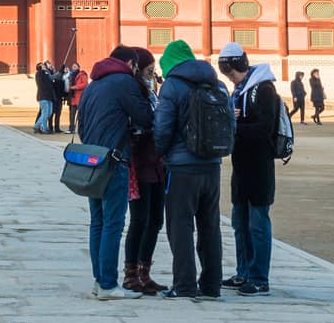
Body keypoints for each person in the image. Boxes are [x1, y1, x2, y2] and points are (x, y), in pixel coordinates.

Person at [154, 39, 232, 301]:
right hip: (212, 165)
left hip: (181, 166)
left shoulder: (172, 86)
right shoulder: (218, 84)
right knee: (210, 225)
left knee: (180, 225)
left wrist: (161, 152)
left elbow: (163, 128)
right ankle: (211, 285)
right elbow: (231, 123)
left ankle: (184, 284)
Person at [77, 45, 153, 299]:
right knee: (113, 222)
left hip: (92, 160)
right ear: (131, 63)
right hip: (115, 159)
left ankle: (100, 280)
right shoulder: (124, 82)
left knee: (97, 222)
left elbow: (82, 124)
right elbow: (143, 117)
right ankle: (109, 284)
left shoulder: (93, 84)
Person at [219, 42, 278, 297]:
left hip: (259, 165)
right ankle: (243, 271)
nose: (230, 78)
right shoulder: (240, 90)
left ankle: (259, 277)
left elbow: (266, 128)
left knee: (258, 222)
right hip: (241, 165)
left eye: (231, 72)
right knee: (239, 222)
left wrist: (235, 124)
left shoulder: (264, 89)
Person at [122, 49, 165, 295]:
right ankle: (130, 274)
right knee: (140, 220)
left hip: (157, 163)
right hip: (140, 163)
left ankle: (144, 272)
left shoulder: (150, 91)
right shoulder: (133, 91)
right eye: (149, 70)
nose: (152, 74)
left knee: (156, 220)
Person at [33, 62, 55, 133]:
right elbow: (44, 84)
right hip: (43, 96)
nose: (44, 66)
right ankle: (45, 128)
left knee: (49, 112)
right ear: (39, 67)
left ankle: (36, 126)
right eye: (42, 65)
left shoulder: (47, 73)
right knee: (45, 113)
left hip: (49, 96)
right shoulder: (40, 73)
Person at [68, 61, 88, 127]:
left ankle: (82, 127)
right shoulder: (71, 75)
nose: (73, 68)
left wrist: (76, 87)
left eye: (75, 66)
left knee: (81, 114)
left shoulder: (82, 74)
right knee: (72, 113)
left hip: (80, 97)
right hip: (73, 97)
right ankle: (71, 128)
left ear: (78, 67)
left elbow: (85, 84)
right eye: (73, 67)